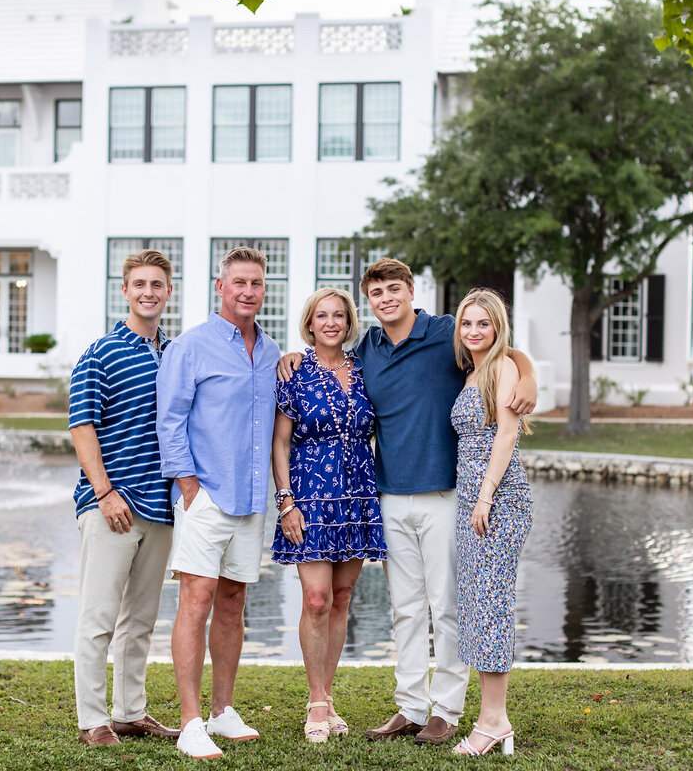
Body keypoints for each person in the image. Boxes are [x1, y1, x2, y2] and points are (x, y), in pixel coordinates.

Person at [279, 258, 536, 746]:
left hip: (445, 494)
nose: (386, 299)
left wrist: (528, 376)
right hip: (387, 496)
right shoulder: (367, 349)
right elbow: (325, 355)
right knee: (406, 609)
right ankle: (412, 706)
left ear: (411, 290)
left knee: (448, 607)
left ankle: (447, 710)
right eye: (377, 293)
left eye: (394, 289)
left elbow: (500, 346)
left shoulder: (445, 332)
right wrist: (290, 357)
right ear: (369, 302)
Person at [156, 245, 282, 760]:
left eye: (256, 283)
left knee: (234, 603)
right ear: (220, 287)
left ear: (263, 289)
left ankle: (222, 711)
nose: (248, 292)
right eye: (239, 283)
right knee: (197, 601)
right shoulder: (191, 347)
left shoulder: (274, 351)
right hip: (204, 496)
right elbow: (170, 421)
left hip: (253, 500)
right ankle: (189, 722)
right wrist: (190, 490)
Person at [68, 249, 181, 748]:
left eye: (157, 284)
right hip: (111, 504)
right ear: (125, 291)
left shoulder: (175, 353)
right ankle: (93, 718)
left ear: (168, 292)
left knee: (140, 620)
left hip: (160, 508)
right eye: (140, 284)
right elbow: (81, 425)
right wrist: (104, 492)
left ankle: (130, 712)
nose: (149, 293)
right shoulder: (101, 352)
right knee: (98, 617)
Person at [272, 288, 386, 744]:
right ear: (310, 323)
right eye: (323, 315)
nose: (332, 322)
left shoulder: (363, 370)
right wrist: (286, 501)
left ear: (349, 321)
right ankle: (315, 700)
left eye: (339, 315)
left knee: (341, 598)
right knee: (315, 598)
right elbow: (281, 442)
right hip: (310, 496)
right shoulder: (293, 372)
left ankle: (329, 696)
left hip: (357, 494)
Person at [449, 288, 533, 756]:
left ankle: (493, 721)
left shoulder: (501, 368)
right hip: (472, 503)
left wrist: (484, 498)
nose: (474, 331)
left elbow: (506, 432)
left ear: (498, 327)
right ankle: (491, 718)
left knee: (490, 606)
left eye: (484, 323)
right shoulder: (473, 371)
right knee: (479, 606)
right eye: (468, 324)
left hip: (497, 501)